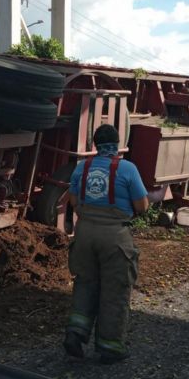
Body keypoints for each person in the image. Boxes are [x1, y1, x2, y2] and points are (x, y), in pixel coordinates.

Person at [64, 124, 149, 364]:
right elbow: (142, 206)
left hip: (84, 234)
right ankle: (110, 346)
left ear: (95, 145)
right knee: (115, 290)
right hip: (115, 237)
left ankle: (76, 332)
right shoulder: (127, 169)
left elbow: (72, 200)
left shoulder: (82, 167)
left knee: (85, 283)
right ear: (117, 143)